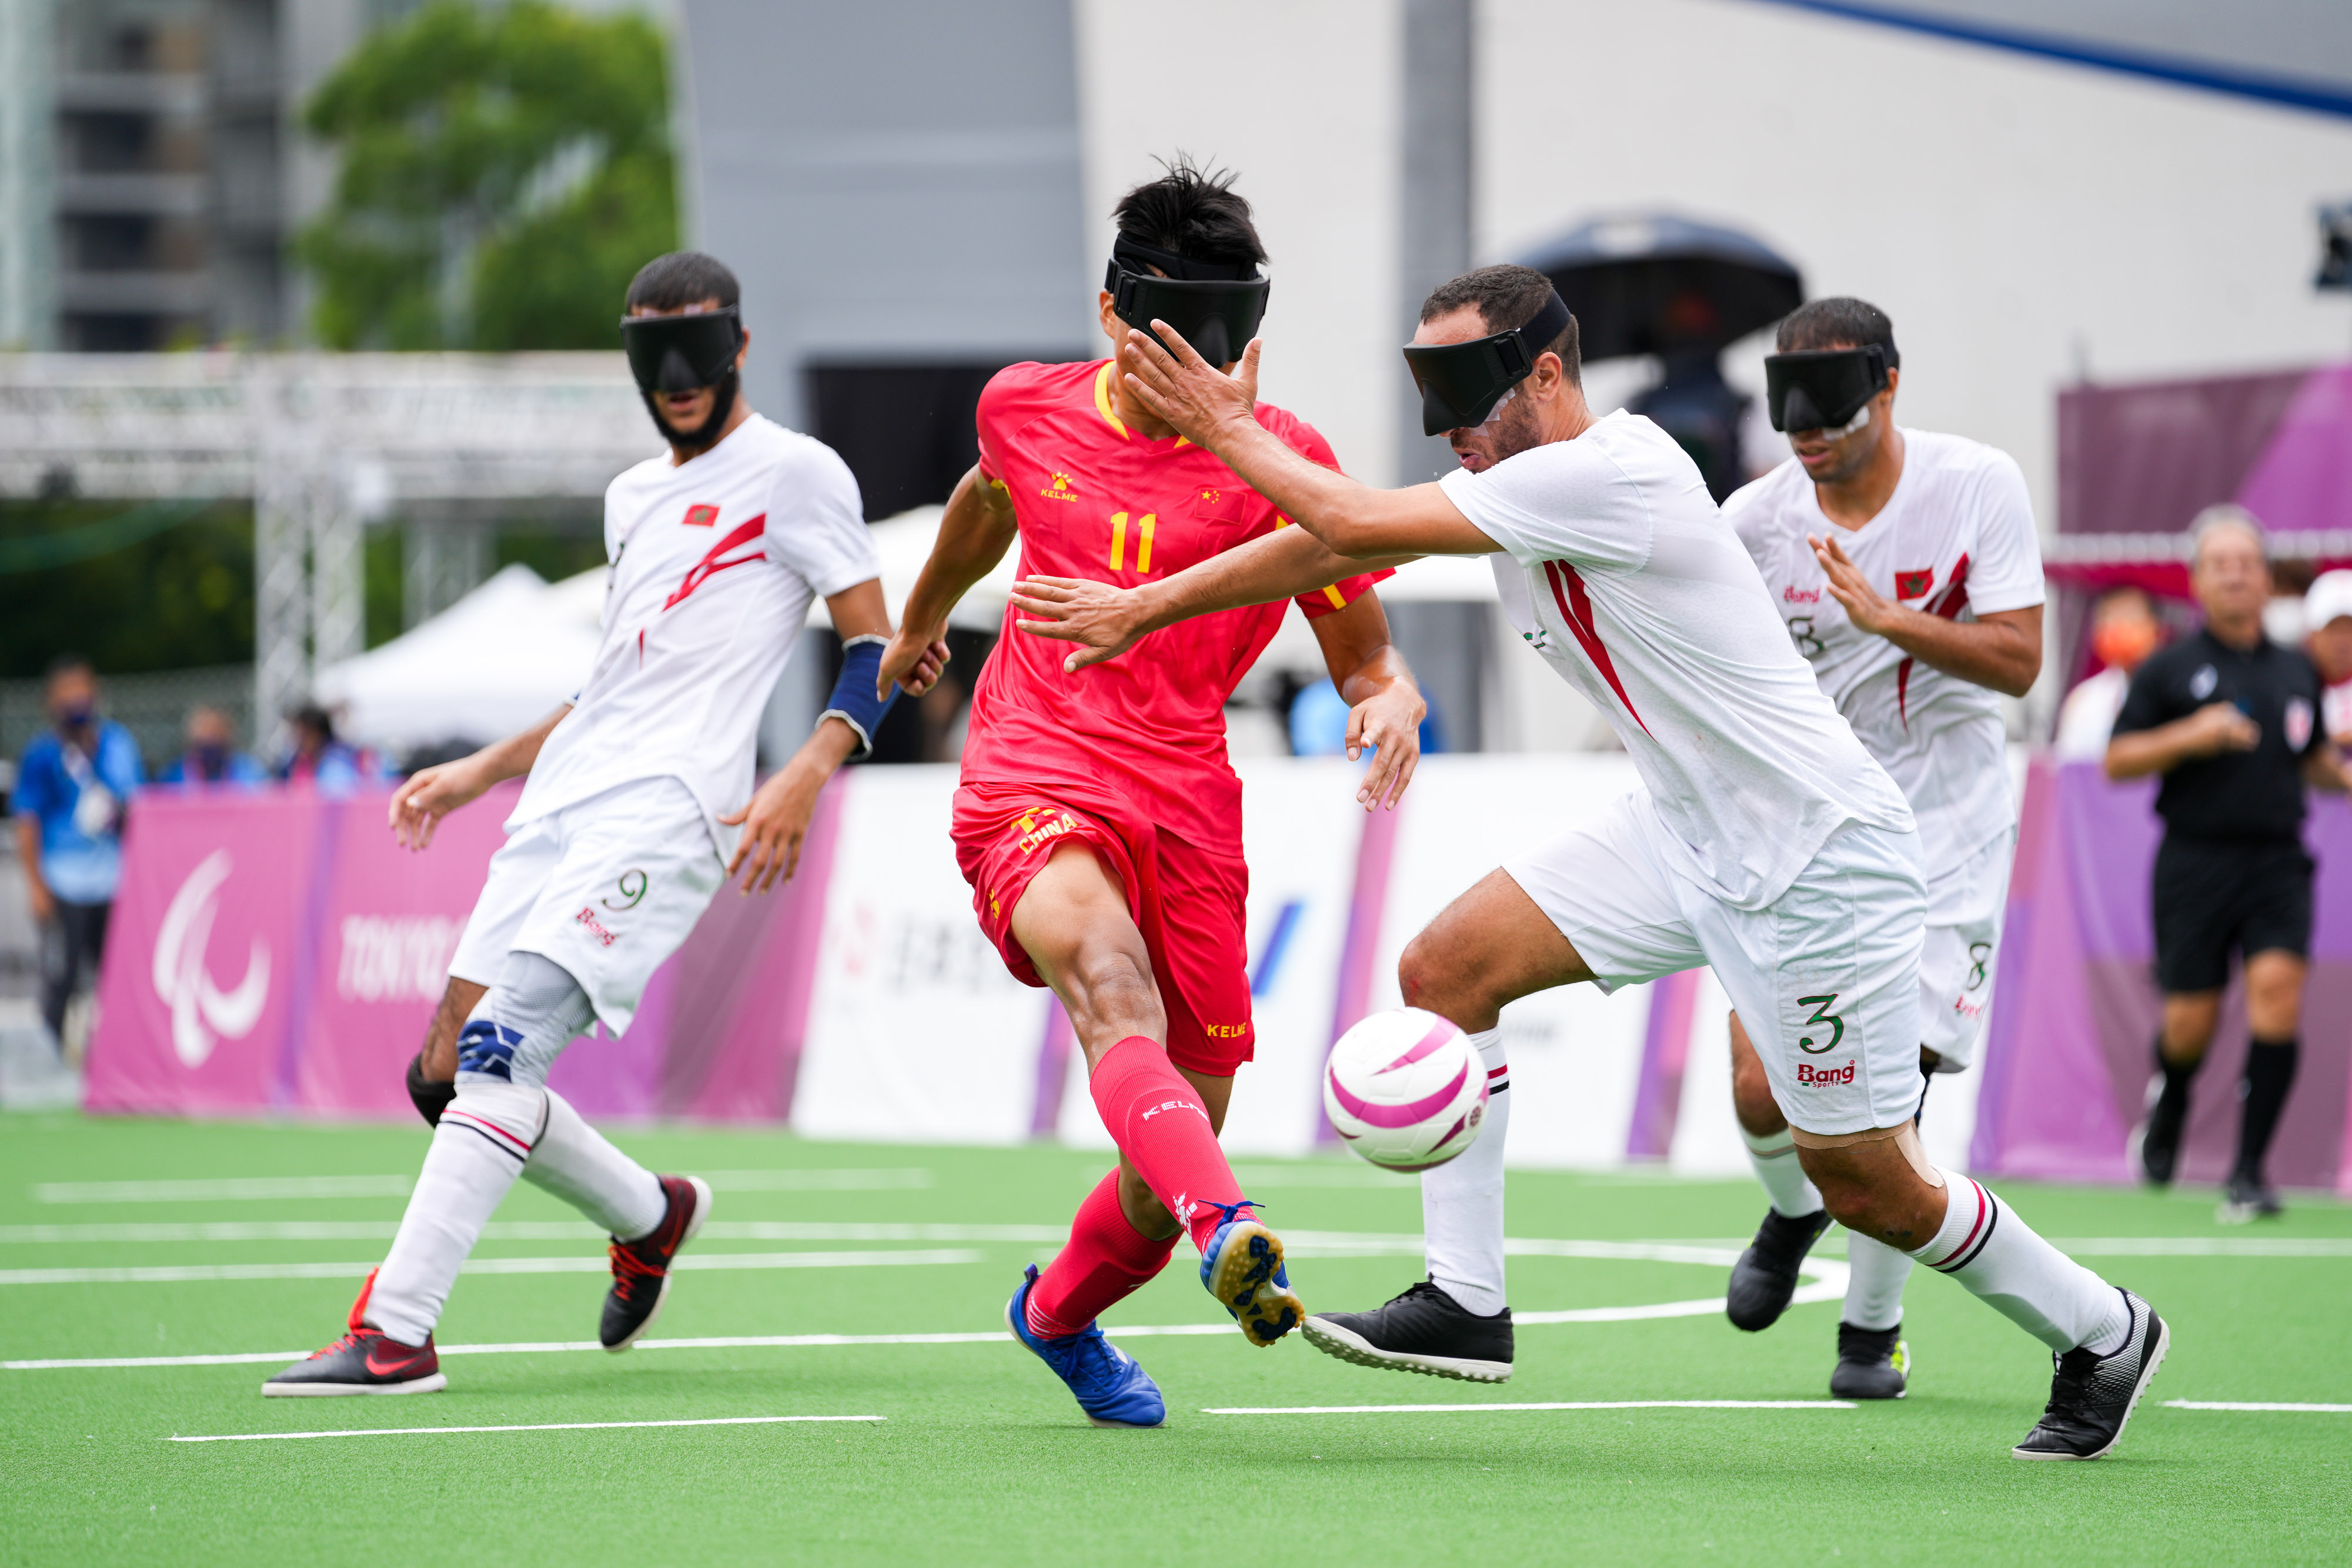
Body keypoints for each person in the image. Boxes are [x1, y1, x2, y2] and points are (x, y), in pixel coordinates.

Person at [1029, 261, 2169, 1459]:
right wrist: (1144, 606)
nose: (1446, 424)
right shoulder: (1511, 487)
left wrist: (1223, 425)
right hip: (1682, 831)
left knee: (1871, 1185)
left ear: (1544, 374)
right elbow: (1321, 550)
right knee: (1446, 968)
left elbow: (1351, 523)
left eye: (1464, 391)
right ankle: (1466, 1301)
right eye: (1429, 394)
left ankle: (2103, 1329)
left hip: (1815, 863)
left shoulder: (1613, 470)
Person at [263, 250, 937, 1395]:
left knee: (501, 1049)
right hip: (563, 799)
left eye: (699, 348)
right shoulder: (631, 496)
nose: (679, 377)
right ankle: (648, 1212)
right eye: (654, 353)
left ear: (739, 346)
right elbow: (613, 678)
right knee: (442, 1074)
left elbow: (875, 644)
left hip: (670, 808)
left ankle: (396, 1330)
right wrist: (481, 769)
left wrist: (807, 770)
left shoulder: (797, 472)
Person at [877, 159, 1424, 1429]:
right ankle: (1227, 1222)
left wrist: (1388, 694)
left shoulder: (1285, 462)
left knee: (1180, 1123)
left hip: (1187, 796)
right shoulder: (1023, 405)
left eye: (1223, 341)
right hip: (1033, 763)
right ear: (1114, 314)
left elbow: (1364, 652)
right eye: (1173, 337)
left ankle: (1058, 1312)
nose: (1200, 369)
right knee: (1110, 990)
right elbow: (984, 501)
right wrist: (918, 622)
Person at [1711, 297, 2044, 1400]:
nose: (1808, 433)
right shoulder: (1754, 521)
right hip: (1808, 827)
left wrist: (1889, 620)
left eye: (1833, 409)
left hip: (1947, 828)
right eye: (1791, 412)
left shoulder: (1977, 483)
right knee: (1760, 1087)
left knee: (1893, 1090)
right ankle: (1792, 1209)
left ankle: (1871, 1331)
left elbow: (2020, 660)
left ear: (1888, 384)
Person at [2106, 508, 2348, 1222]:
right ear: (2197, 581)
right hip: (2195, 861)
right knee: (2190, 1024)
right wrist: (2192, 733)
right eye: (2221, 564)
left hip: (2277, 861)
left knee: (2277, 992)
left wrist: (2340, 773)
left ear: (2267, 578)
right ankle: (2173, 1096)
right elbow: (2118, 759)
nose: (2236, 575)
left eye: (2247, 563)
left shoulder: (2296, 669)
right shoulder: (2168, 667)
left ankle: (2248, 1172)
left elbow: (2309, 757)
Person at [13, 656, 143, 1054]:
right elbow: (27, 823)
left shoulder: (117, 745)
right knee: (63, 975)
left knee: (118, 973)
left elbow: (136, 803)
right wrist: (36, 884)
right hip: (65, 879)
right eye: (67, 691)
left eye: (82, 688)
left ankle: (117, 1052)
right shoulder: (42, 755)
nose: (77, 698)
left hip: (113, 877)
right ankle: (50, 1053)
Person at [2055, 587, 2165, 760]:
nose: (2117, 628)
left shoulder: (2174, 693)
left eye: (2129, 617)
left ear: (2156, 629)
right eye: (2107, 618)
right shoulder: (2085, 698)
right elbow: (2068, 764)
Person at [157, 706, 268, 788]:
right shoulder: (175, 775)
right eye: (203, 735)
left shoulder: (249, 770)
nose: (209, 740)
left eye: (215, 734)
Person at [275, 704, 374, 792]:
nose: (298, 740)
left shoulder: (335, 765)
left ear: (315, 733)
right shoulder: (301, 761)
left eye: (302, 734)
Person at [2303, 569, 2352, 745]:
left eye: (2350, 629)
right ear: (2311, 635)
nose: (2342, 642)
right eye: (2333, 629)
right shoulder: (2291, 687)